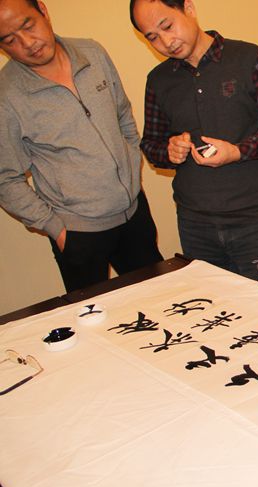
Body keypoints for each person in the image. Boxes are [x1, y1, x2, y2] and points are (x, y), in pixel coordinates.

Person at [0, 0, 163, 292]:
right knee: (97, 315)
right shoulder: (7, 96)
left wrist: (130, 166)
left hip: (134, 212)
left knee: (159, 297)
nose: (27, 43)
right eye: (9, 40)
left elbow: (122, 114)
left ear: (43, 10)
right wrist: (57, 229)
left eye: (28, 25)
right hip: (78, 233)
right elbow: (5, 178)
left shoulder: (92, 52)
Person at [130, 0, 258, 288]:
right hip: (195, 224)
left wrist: (238, 151)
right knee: (214, 306)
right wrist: (169, 151)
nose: (166, 42)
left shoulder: (248, 57)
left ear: (189, 8)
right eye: (152, 37)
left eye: (167, 26)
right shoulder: (158, 80)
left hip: (252, 220)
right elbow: (151, 144)